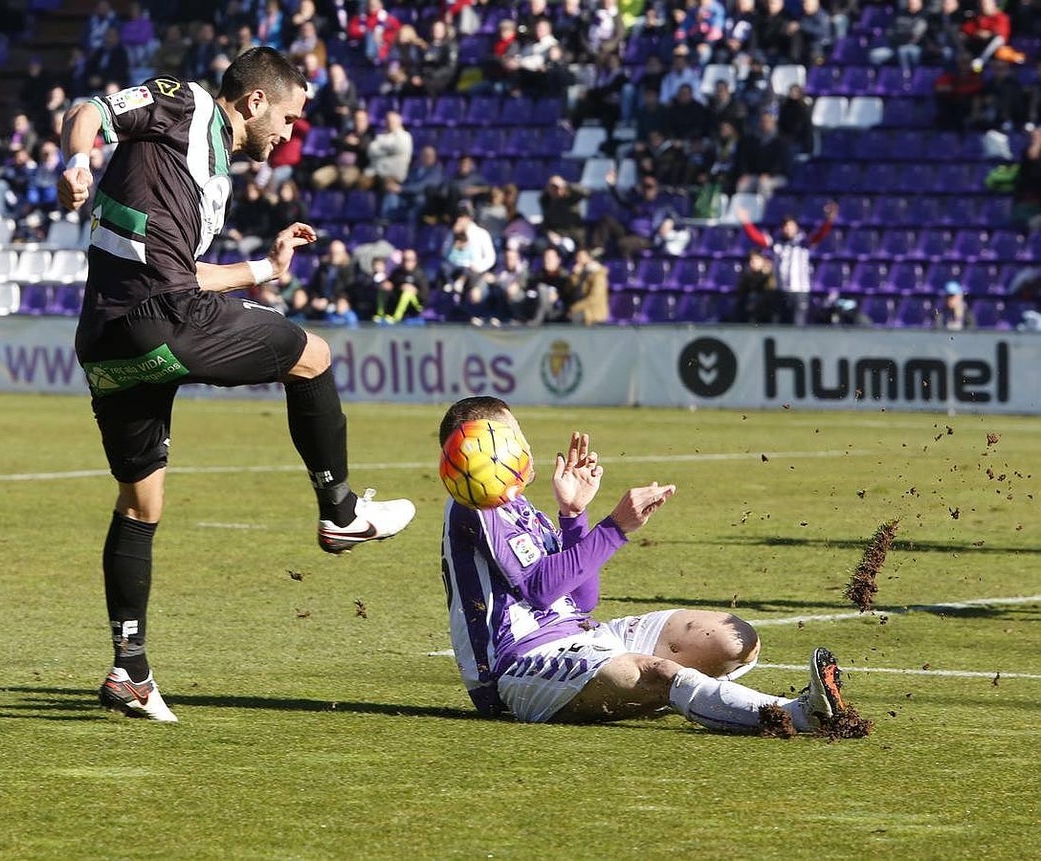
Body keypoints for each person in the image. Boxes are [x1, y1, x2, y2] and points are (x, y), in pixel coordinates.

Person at [56, 47, 415, 723]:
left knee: (140, 504)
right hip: (161, 319)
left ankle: (128, 669)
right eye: (288, 115)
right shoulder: (185, 103)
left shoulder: (210, 177)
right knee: (312, 353)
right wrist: (78, 159)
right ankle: (340, 514)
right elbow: (90, 112)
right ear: (254, 101)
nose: (289, 132)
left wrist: (262, 267)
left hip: (107, 343)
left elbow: (182, 271)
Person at [437, 396, 859, 732]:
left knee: (734, 641)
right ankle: (800, 714)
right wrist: (616, 526)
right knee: (660, 673)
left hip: (584, 638)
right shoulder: (474, 505)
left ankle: (674, 695)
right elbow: (540, 589)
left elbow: (582, 602)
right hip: (517, 667)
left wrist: (572, 516)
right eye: (510, 435)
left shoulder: (521, 507)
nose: (522, 444)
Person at [737, 202, 836, 326]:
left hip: (799, 291)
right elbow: (758, 238)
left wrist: (828, 220)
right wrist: (746, 223)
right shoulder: (776, 243)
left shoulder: (803, 242)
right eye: (785, 226)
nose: (788, 229)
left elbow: (820, 235)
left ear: (796, 227)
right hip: (780, 291)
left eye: (790, 226)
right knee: (780, 325)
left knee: (797, 324)